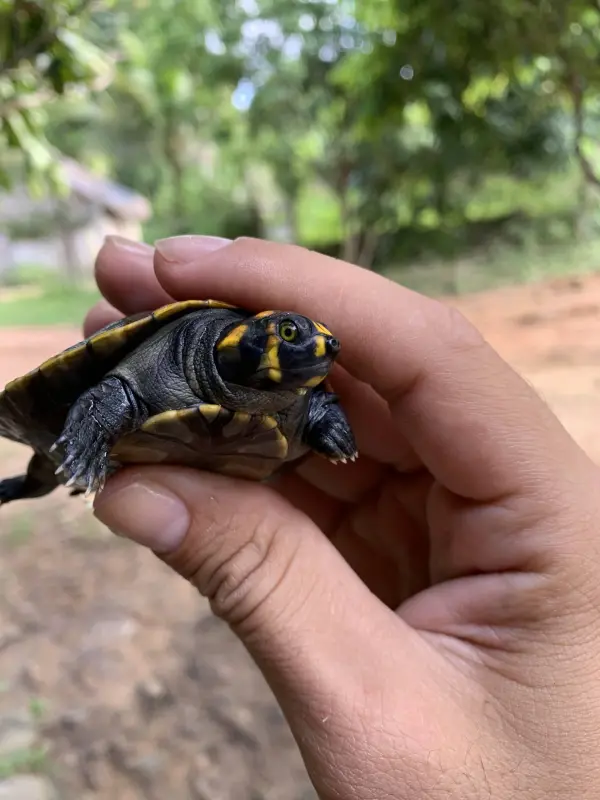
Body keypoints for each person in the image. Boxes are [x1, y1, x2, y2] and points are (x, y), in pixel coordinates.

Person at [88, 234, 600, 799]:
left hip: (234, 452)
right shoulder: (180, 347)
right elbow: (115, 387)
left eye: (325, 349)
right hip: (153, 400)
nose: (317, 348)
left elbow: (319, 398)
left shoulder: (299, 398)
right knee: (108, 403)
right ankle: (58, 460)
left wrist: (323, 416)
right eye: (290, 334)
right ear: (241, 334)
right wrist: (88, 430)